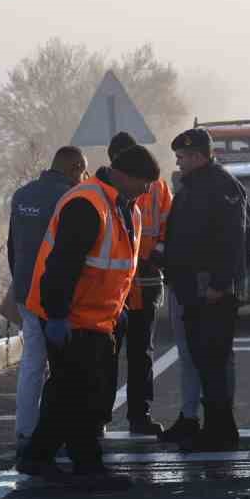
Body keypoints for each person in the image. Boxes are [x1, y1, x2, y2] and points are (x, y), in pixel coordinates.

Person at [18, 143, 162, 490]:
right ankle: (85, 465)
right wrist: (56, 316)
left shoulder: (123, 207)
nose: (147, 191)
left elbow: (117, 268)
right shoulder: (87, 204)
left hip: (99, 319)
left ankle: (38, 458)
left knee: (71, 393)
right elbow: (61, 266)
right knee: (80, 395)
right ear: (123, 176)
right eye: (143, 183)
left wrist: (120, 311)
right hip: (73, 317)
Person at [162, 128, 250, 452]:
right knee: (203, 359)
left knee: (214, 360)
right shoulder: (193, 187)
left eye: (183, 157)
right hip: (192, 287)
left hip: (210, 290)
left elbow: (237, 239)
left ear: (200, 156)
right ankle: (212, 427)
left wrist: (220, 283)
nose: (179, 163)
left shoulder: (220, 186)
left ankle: (220, 430)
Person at [3, 146, 85, 466]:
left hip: (25, 291)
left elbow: (13, 246)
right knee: (63, 367)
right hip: (54, 294)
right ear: (75, 167)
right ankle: (57, 435)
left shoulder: (22, 195)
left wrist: (20, 285)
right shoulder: (70, 199)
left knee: (32, 363)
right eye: (82, 172)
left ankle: (25, 431)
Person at [106, 131, 171, 436]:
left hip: (139, 279)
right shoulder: (103, 191)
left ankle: (125, 415)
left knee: (122, 351)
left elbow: (171, 223)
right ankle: (135, 416)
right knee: (133, 351)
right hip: (121, 284)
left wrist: (156, 253)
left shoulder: (155, 186)